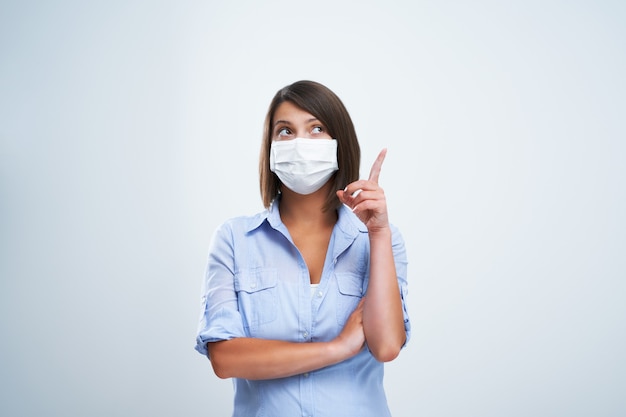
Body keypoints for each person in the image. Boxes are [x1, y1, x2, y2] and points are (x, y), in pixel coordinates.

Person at [195, 80, 410, 417]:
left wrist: (378, 232)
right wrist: (337, 348)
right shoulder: (234, 239)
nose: (300, 143)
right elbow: (225, 359)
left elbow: (385, 345)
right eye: (285, 131)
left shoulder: (380, 239)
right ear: (270, 148)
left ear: (339, 143)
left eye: (316, 128)